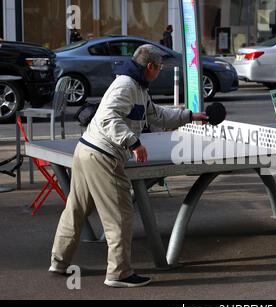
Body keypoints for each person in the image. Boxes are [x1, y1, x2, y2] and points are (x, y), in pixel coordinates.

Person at [49, 44, 208, 288]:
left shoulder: (138, 87)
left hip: (86, 151)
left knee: (76, 210)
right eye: (160, 67)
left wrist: (190, 116)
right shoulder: (126, 86)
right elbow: (107, 118)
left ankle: (59, 262)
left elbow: (157, 115)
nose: (161, 71)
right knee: (120, 217)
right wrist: (133, 142)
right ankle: (119, 273)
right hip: (103, 156)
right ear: (151, 66)